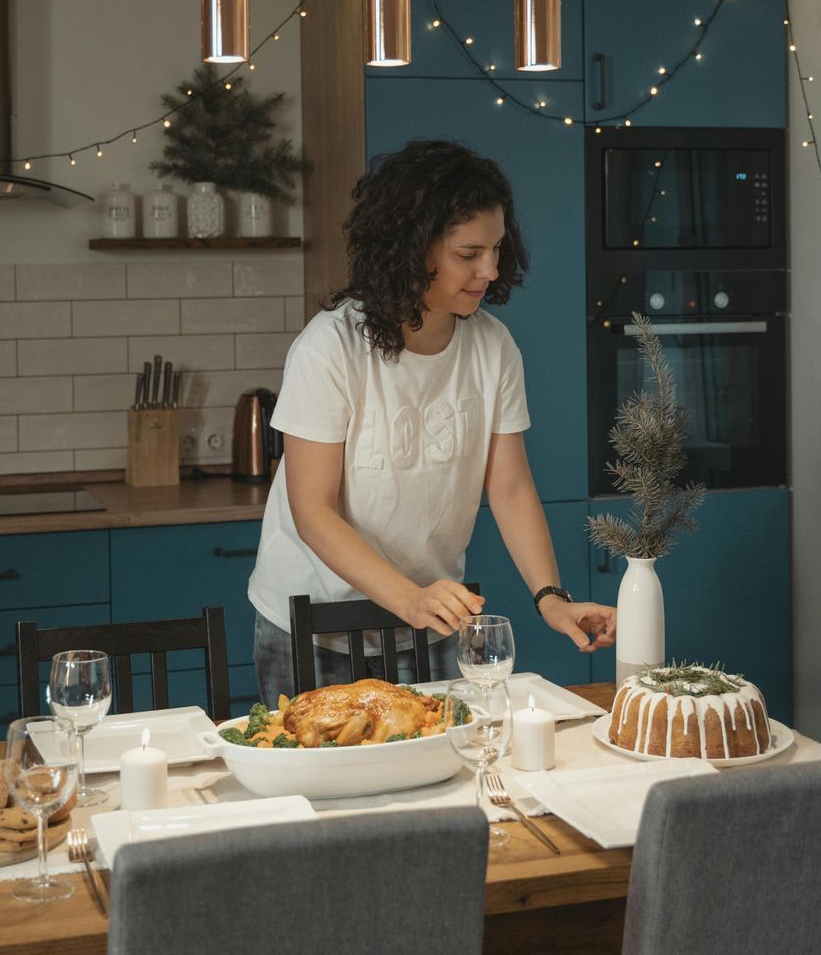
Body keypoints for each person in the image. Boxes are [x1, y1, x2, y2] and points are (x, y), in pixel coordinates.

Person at [249, 139, 618, 701]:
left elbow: (512, 487)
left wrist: (552, 598)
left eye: (496, 249)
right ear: (412, 248)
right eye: (468, 254)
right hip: (315, 625)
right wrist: (409, 598)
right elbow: (312, 511)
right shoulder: (330, 347)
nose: (490, 270)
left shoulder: (492, 347)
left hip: (429, 617)